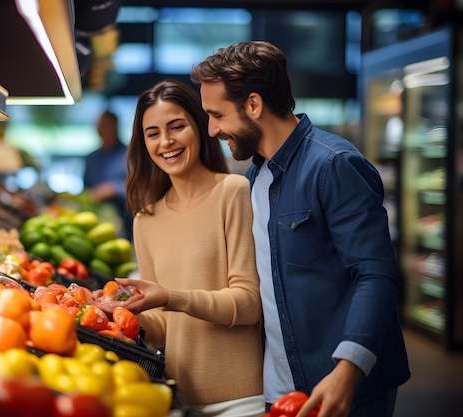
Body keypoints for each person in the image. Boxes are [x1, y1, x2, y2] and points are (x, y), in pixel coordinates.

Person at [191, 41, 410, 417]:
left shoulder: (335, 165)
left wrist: (347, 370)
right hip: (279, 389)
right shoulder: (257, 176)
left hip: (345, 388)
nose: (211, 130)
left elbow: (376, 275)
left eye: (217, 115)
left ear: (254, 105)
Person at [114, 79, 264, 417]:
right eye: (152, 133)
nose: (166, 141)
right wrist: (123, 314)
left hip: (241, 399)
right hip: (177, 399)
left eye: (176, 127)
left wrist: (169, 296)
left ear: (199, 126)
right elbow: (164, 326)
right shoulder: (146, 220)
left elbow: (248, 303)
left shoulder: (232, 193)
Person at [83, 111, 132, 240]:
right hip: (97, 222)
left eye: (105, 126)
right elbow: (86, 190)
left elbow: (142, 188)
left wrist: (114, 188)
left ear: (115, 126)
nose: (101, 130)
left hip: (127, 221)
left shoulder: (131, 155)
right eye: (99, 127)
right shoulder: (91, 159)